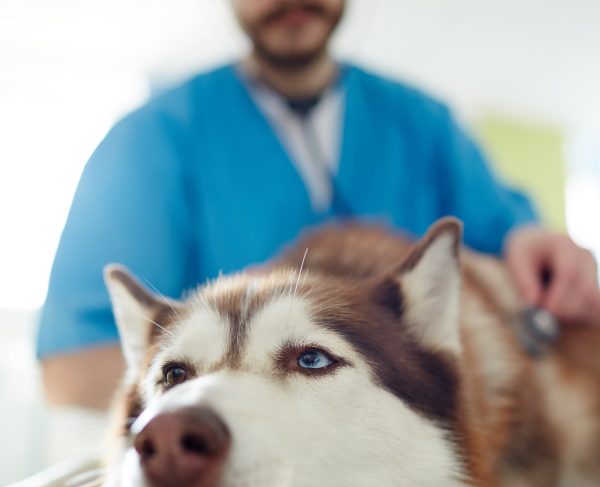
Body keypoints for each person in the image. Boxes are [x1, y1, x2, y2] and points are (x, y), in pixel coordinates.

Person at [37, 0, 600, 411]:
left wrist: (539, 251)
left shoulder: (425, 126)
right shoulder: (150, 141)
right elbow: (70, 369)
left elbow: (510, 249)